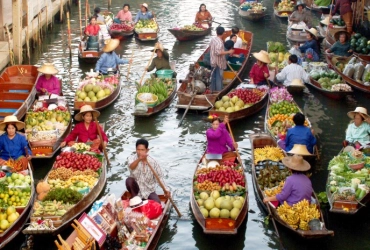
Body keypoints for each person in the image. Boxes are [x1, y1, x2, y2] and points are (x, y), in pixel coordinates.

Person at [126, 139, 170, 204]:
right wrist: (139, 159)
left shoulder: (153, 162)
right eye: (138, 150)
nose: (140, 152)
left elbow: (159, 178)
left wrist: (165, 190)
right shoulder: (131, 158)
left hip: (149, 191)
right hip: (136, 191)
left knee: (157, 204)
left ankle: (142, 201)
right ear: (135, 149)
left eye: (142, 150)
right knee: (129, 180)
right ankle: (135, 198)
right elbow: (131, 167)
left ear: (147, 150)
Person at [209, 26, 234, 91]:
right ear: (223, 33)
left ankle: (212, 90)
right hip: (218, 63)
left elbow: (212, 49)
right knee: (219, 78)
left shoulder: (213, 39)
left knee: (213, 77)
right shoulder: (220, 42)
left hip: (212, 61)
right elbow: (218, 52)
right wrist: (229, 51)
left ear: (216, 32)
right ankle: (218, 91)